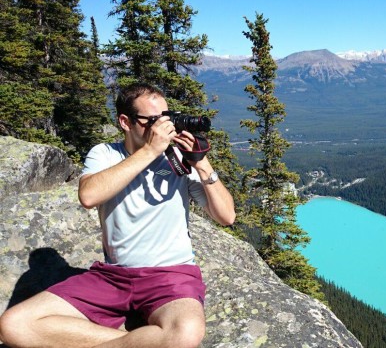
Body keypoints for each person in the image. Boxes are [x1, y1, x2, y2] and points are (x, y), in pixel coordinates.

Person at [0, 83, 235, 348]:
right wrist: (149, 151)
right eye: (153, 120)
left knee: (186, 333)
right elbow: (89, 196)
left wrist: (202, 164)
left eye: (166, 118)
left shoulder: (178, 160)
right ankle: (141, 342)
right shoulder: (105, 154)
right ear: (125, 121)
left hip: (170, 275)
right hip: (113, 276)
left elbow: (226, 217)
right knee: (14, 325)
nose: (162, 127)